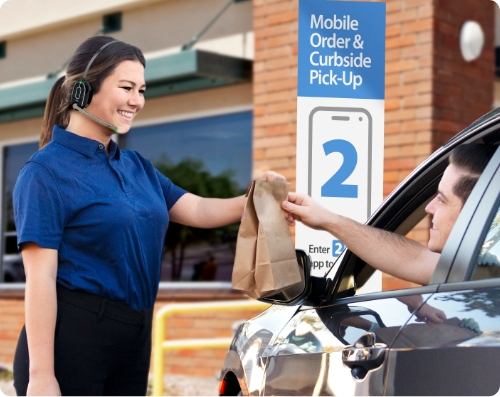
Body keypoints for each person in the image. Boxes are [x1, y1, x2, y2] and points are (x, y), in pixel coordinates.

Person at [12, 35, 283, 396]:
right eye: (126, 87)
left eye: (141, 89)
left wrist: (258, 200)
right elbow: (40, 279)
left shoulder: (137, 166)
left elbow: (198, 208)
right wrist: (42, 375)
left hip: (134, 335)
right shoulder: (44, 172)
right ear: (82, 91)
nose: (136, 101)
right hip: (73, 340)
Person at [282, 143, 498, 287]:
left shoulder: (489, 272)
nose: (429, 208)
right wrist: (328, 219)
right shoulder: (475, 271)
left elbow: (418, 260)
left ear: (476, 211)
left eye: (442, 199)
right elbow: (417, 259)